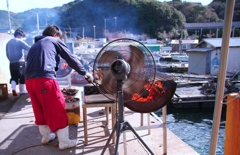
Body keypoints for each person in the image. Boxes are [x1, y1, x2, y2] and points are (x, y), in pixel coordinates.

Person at [24, 25, 93, 150]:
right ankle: (64, 142)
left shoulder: (35, 45)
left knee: (39, 109)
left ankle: (46, 137)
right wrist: (85, 73)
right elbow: (70, 58)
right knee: (58, 108)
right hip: (45, 80)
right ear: (56, 35)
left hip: (29, 81)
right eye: (60, 38)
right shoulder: (54, 40)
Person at [6, 29, 31, 96]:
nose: (22, 37)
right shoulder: (20, 41)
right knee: (22, 76)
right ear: (19, 35)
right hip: (20, 62)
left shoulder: (8, 42)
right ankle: (22, 90)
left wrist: (10, 59)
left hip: (11, 63)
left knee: (14, 76)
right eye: (22, 36)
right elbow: (29, 48)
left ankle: (14, 89)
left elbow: (7, 53)